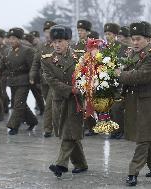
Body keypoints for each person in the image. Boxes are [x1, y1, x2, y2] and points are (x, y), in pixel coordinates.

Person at [115, 21, 151, 186]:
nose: (135, 42)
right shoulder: (131, 53)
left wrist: (120, 74)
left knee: (143, 138)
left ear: (148, 39)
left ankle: (132, 172)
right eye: (133, 39)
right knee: (146, 136)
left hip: (148, 101)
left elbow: (141, 76)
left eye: (138, 39)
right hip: (133, 101)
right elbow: (128, 76)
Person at [42, 25, 88, 178]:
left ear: (68, 41)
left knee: (69, 132)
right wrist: (70, 89)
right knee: (69, 132)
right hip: (60, 100)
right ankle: (81, 164)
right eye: (54, 41)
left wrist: (81, 87)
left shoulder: (80, 56)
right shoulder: (47, 60)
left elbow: (87, 75)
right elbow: (51, 80)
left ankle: (61, 164)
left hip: (76, 101)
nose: (56, 45)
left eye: (60, 41)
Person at [0, 28, 38, 135]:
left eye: (14, 38)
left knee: (17, 104)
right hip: (12, 81)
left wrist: (32, 77)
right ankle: (32, 121)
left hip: (24, 81)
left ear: (19, 39)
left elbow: (34, 66)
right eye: (10, 38)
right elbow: (2, 63)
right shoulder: (7, 50)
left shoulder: (27, 50)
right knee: (18, 103)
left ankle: (13, 126)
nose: (11, 40)